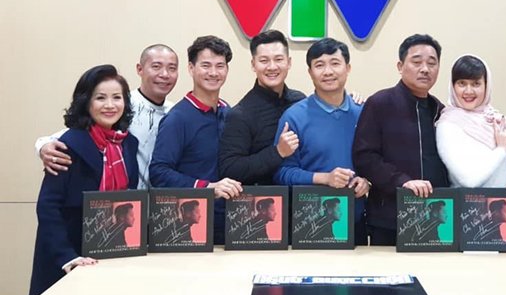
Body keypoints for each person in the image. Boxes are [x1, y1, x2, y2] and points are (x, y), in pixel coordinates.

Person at [29, 65, 139, 295]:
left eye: (117, 97)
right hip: (69, 254)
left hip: (112, 251)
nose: (110, 105)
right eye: (100, 98)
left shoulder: (129, 144)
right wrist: (67, 256)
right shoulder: (67, 145)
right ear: (86, 102)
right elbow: (48, 206)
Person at [36, 44, 179, 189]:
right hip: (122, 196)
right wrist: (43, 146)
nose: (164, 74)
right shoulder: (120, 106)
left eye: (172, 68)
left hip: (162, 198)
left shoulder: (175, 112)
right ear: (139, 69)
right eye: (156, 66)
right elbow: (74, 134)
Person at [353, 34, 449, 246]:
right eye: (417, 62)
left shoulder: (440, 111)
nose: (425, 69)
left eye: (432, 63)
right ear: (400, 66)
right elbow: (364, 157)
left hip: (435, 215)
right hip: (390, 217)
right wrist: (402, 181)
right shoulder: (380, 103)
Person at [274, 38, 369, 244]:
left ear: (348, 68)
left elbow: (377, 161)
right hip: (310, 222)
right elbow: (282, 173)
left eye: (335, 63)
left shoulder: (364, 113)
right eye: (319, 65)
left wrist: (368, 182)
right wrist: (325, 178)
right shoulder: (294, 117)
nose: (328, 72)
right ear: (310, 72)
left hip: (356, 220)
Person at [149, 36, 242, 244]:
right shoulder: (177, 118)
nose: (213, 73)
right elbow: (158, 171)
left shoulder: (228, 112)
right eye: (206, 65)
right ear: (191, 68)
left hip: (231, 222)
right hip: (191, 226)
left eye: (220, 66)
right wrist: (207, 187)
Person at [218, 30, 305, 185]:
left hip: (303, 195)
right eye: (264, 60)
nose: (272, 67)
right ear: (253, 65)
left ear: (289, 62)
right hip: (264, 197)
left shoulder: (300, 101)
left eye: (279, 59)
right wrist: (278, 152)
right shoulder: (240, 114)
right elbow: (230, 168)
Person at [435, 55, 506, 194]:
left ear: (486, 85)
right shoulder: (448, 125)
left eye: (476, 84)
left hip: (501, 204)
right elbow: (469, 181)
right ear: (453, 86)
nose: (468, 91)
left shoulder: (498, 121)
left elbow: (501, 172)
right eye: (462, 83)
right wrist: (501, 149)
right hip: (467, 205)